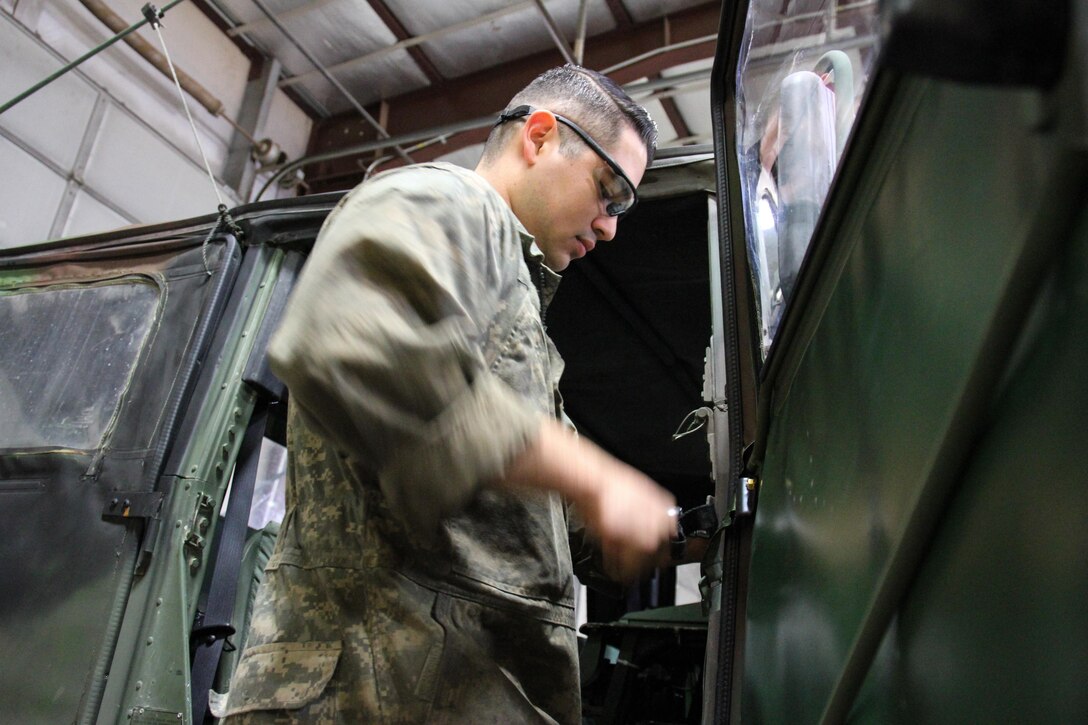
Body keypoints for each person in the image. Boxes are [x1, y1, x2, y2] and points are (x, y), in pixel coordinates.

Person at [212, 65, 679, 724]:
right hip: (369, 690)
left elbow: (556, 511)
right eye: (611, 193)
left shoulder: (517, 308)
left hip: (444, 688)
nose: (609, 228)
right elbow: (365, 352)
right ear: (540, 136)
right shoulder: (436, 201)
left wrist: (685, 531)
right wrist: (600, 480)